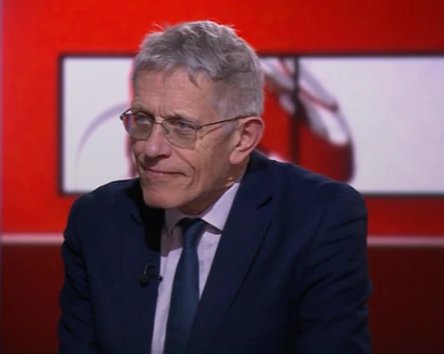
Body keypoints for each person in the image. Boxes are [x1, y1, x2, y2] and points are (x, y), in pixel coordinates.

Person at [58, 20, 372, 354]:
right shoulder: (97, 221)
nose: (151, 149)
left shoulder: (318, 219)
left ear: (243, 139)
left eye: (182, 126)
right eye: (143, 120)